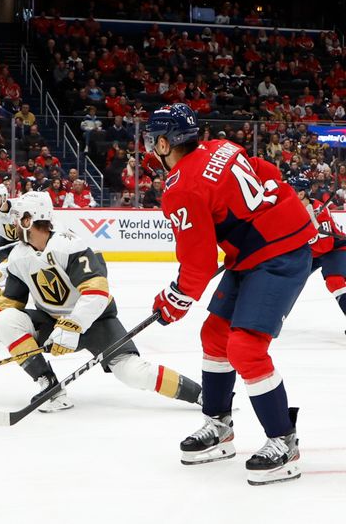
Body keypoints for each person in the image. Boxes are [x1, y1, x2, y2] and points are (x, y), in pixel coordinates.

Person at [145, 103, 317, 485]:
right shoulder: (220, 146)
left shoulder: (180, 187)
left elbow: (200, 263)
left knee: (246, 347)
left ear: (162, 142)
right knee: (215, 336)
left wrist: (175, 300)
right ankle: (218, 425)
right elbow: (265, 171)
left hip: (279, 253)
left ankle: (283, 441)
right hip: (260, 248)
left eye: (151, 141)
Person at [0, 192, 201, 412]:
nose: (12, 224)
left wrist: (73, 324)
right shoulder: (19, 257)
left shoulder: (69, 245)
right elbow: (7, 305)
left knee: (133, 373)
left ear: (30, 220)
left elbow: (97, 291)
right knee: (6, 320)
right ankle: (50, 387)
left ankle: (203, 395)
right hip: (52, 322)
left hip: (96, 322)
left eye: (17, 218)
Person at [289, 177, 346, 333]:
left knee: (335, 281)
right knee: (285, 280)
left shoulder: (320, 210)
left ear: (301, 194)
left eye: (291, 190)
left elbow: (326, 246)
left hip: (334, 248)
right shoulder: (289, 210)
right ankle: (269, 318)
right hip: (310, 252)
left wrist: (313, 233)